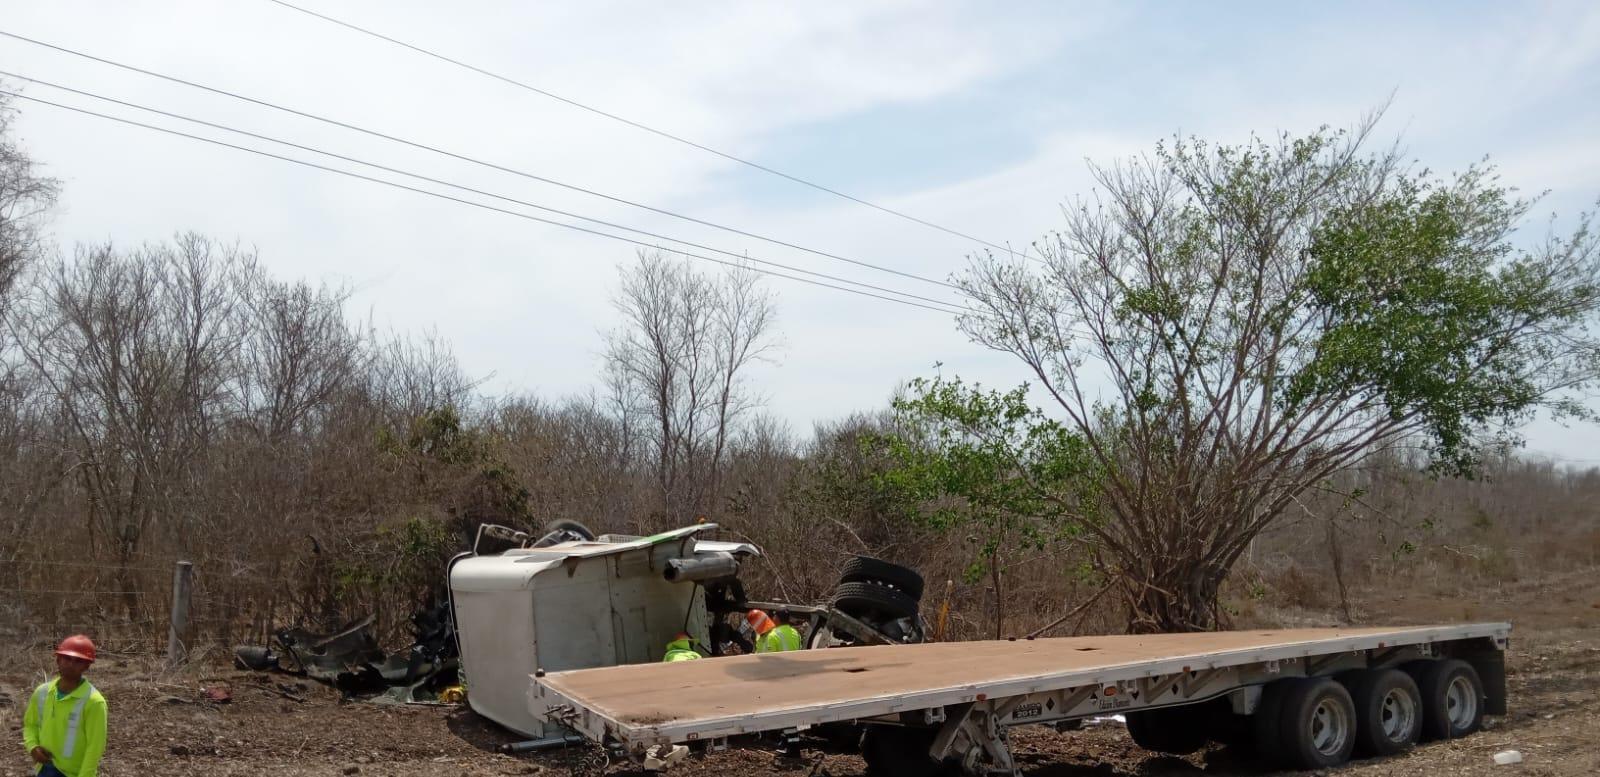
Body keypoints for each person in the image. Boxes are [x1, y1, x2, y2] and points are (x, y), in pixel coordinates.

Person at [22, 635, 107, 777]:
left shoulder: (94, 702)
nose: (71, 664)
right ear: (58, 660)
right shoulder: (42, 693)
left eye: (78, 661)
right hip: (44, 768)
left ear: (87, 666)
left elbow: (95, 748)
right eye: (67, 658)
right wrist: (33, 747)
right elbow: (30, 725)